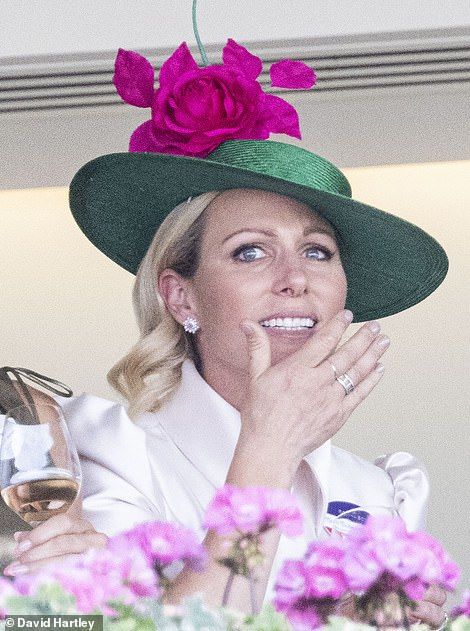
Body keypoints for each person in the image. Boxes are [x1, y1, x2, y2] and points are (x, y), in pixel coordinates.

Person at [3, 26, 449, 628]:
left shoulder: (375, 487)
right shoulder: (94, 454)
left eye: (318, 252)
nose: (296, 278)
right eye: (249, 252)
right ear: (180, 295)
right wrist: (268, 447)